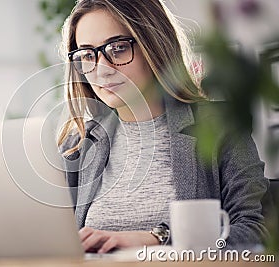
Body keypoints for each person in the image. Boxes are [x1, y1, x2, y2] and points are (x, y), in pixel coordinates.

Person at [57, 0, 269, 254]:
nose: (102, 70)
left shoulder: (219, 126)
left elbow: (254, 230)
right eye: (87, 55)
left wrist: (159, 238)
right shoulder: (79, 144)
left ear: (154, 45)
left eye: (118, 48)